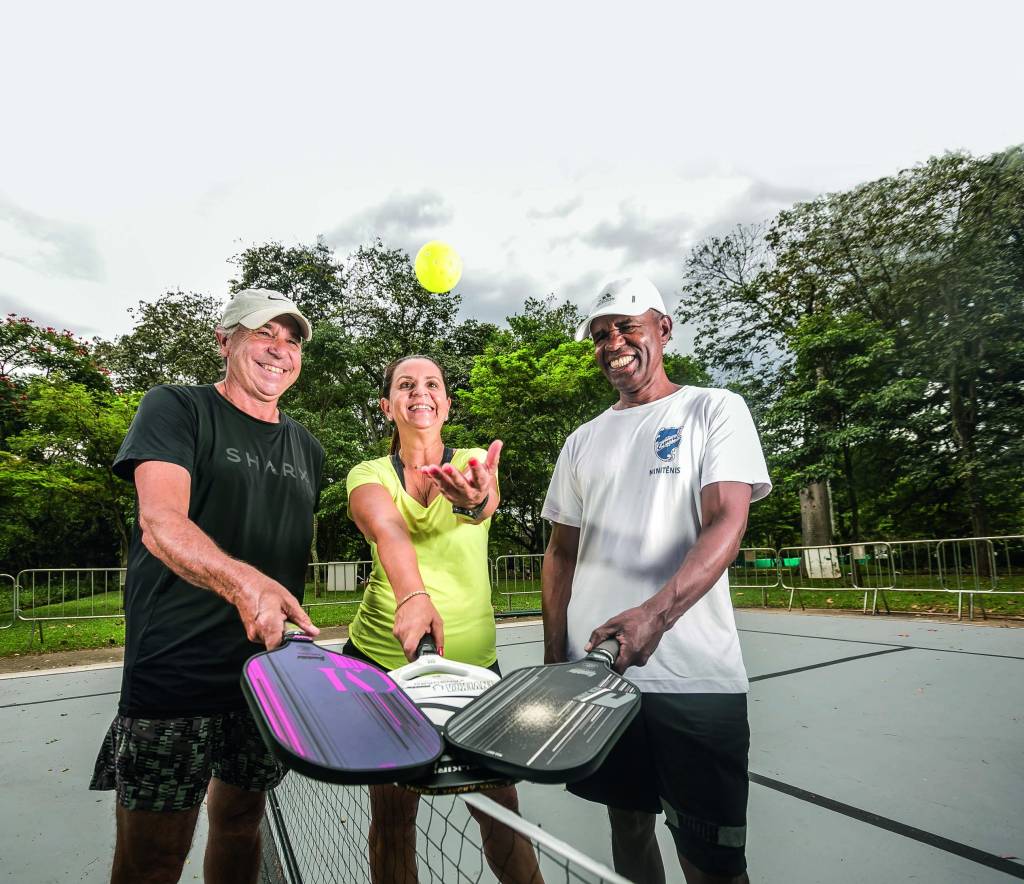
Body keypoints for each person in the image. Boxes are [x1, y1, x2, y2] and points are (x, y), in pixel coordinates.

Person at [541, 276, 771, 884]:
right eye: (600, 334)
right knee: (627, 823)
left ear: (663, 330)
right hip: (598, 679)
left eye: (626, 327)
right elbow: (561, 553)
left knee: (713, 861)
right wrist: (553, 656)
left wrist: (654, 616)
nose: (612, 342)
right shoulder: (581, 441)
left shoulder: (712, 409)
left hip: (694, 678)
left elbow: (727, 520)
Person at [90, 289, 324, 884]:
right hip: (176, 670)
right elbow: (160, 521)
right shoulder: (175, 408)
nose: (280, 350)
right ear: (224, 341)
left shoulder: (309, 448)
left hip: (267, 677)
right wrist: (245, 583)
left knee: (242, 824)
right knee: (154, 858)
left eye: (292, 339)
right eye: (263, 334)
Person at [345, 354, 541, 884]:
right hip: (387, 666)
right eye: (405, 385)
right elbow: (387, 529)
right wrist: (414, 596)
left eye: (432, 384)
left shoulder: (473, 462)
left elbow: (483, 499)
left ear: (447, 404)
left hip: (473, 668)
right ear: (387, 406)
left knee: (500, 812)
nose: (420, 392)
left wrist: (476, 501)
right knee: (392, 816)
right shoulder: (367, 474)